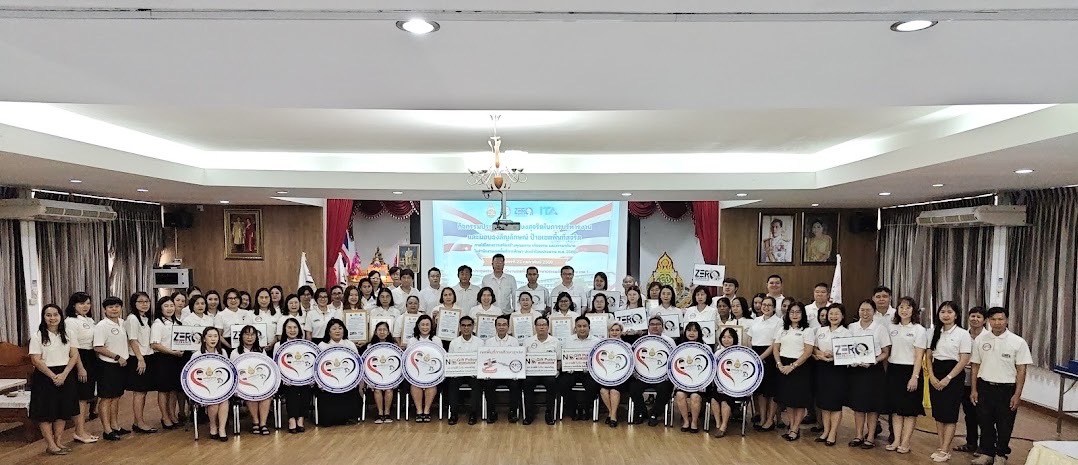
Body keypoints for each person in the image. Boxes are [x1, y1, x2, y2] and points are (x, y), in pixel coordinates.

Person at [970, 306, 1031, 465]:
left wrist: (1017, 394)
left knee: (1005, 424)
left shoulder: (1018, 342)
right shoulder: (981, 340)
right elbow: (975, 366)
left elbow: (1022, 370)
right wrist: (974, 389)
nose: (997, 323)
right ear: (988, 321)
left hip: (1007, 389)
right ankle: (987, 453)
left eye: (1000, 319)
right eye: (993, 319)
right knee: (985, 422)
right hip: (985, 387)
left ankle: (1001, 454)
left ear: (1007, 320)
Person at [925, 301, 972, 462]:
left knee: (950, 414)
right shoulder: (933, 332)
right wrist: (931, 376)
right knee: (938, 414)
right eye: (943, 312)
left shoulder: (962, 334)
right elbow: (928, 356)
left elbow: (964, 359)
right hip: (935, 372)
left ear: (956, 315)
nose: (946, 315)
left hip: (953, 375)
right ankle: (941, 446)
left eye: (949, 312)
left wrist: (948, 378)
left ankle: (946, 449)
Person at [29, 304, 79, 456]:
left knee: (62, 410)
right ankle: (50, 444)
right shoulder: (37, 336)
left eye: (55, 314)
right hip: (45, 376)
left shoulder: (69, 333)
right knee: (45, 411)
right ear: (43, 317)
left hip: (65, 373)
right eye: (48, 315)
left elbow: (74, 355)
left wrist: (64, 374)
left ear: (60, 316)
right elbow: (36, 360)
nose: (52, 318)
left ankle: (58, 441)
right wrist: (53, 376)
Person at [882, 297, 927, 454]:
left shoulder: (919, 330)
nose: (904, 310)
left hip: (911, 371)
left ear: (913, 310)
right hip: (894, 370)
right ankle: (896, 440)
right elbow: (886, 351)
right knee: (895, 409)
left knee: (909, 410)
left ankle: (906, 442)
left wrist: (915, 377)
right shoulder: (891, 327)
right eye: (901, 307)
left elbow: (919, 356)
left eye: (908, 307)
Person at [847, 299, 892, 450]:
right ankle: (859, 435)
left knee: (872, 406)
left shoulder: (880, 328)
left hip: (873, 371)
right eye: (862, 310)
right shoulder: (852, 327)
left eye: (868, 310)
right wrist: (850, 360)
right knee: (858, 406)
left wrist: (873, 361)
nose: (865, 313)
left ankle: (871, 437)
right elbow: (847, 348)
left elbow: (885, 352)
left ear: (874, 312)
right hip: (856, 371)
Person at [773, 301, 815, 441]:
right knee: (788, 400)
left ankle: (796, 428)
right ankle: (791, 425)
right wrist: (779, 364)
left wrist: (793, 366)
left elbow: (808, 352)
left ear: (802, 314)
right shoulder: (782, 330)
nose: (795, 315)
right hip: (783, 366)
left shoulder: (807, 330)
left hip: (800, 367)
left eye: (798, 312)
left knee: (799, 401)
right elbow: (776, 348)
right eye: (792, 312)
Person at [63, 292, 98, 444]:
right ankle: (79, 431)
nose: (85, 306)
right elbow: (73, 347)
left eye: (88, 303)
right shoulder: (70, 321)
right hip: (80, 358)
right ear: (73, 305)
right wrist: (80, 367)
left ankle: (82, 430)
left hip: (91, 357)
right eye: (81, 303)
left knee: (87, 396)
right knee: (81, 398)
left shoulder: (89, 320)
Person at [628, 316, 676, 426]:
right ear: (648, 327)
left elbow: (673, 360)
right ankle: (641, 412)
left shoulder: (669, 341)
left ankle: (654, 414)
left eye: (658, 324)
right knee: (633, 387)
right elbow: (635, 359)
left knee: (665, 388)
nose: (655, 326)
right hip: (643, 376)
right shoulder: (641, 340)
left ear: (662, 327)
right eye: (652, 324)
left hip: (662, 377)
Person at [813, 304, 850, 446]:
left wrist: (833, 355)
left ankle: (833, 433)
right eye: (831, 314)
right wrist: (820, 354)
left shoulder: (846, 333)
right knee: (824, 403)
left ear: (842, 316)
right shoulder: (820, 330)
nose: (833, 316)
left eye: (837, 314)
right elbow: (814, 348)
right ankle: (825, 431)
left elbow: (849, 352)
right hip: (822, 368)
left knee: (835, 403)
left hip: (838, 370)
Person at [316, 319, 360, 426]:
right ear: (328, 331)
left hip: (347, 378)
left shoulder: (349, 344)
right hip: (328, 379)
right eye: (334, 329)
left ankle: (346, 417)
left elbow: (357, 363)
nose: (337, 331)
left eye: (340, 328)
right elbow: (317, 366)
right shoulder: (322, 345)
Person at [747, 296, 782, 431]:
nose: (766, 307)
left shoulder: (778, 322)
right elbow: (749, 338)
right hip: (755, 354)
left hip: (770, 356)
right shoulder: (756, 320)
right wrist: (753, 354)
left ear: (774, 308)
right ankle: (762, 418)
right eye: (764, 305)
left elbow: (775, 343)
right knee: (760, 391)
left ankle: (770, 420)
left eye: (769, 305)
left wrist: (761, 357)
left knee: (771, 391)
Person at [956, 306, 987, 455]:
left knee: (983, 415)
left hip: (981, 381)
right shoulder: (962, 335)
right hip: (963, 379)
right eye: (972, 316)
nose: (975, 319)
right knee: (969, 414)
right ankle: (971, 443)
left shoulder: (988, 337)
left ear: (984, 320)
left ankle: (985, 446)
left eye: (979, 317)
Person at [232, 325, 274, 433]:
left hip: (259, 382)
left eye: (252, 334)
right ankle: (255, 421)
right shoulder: (235, 352)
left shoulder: (261, 351)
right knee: (250, 393)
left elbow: (265, 369)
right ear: (241, 336)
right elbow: (233, 372)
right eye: (246, 334)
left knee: (266, 394)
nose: (249, 337)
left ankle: (263, 423)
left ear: (256, 337)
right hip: (243, 384)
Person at [125, 291, 157, 434]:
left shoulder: (146, 318)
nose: (144, 304)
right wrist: (140, 359)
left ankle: (138, 421)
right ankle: (139, 422)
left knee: (143, 392)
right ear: (134, 304)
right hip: (138, 358)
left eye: (147, 301)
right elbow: (132, 340)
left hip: (147, 357)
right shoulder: (132, 318)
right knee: (139, 392)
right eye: (141, 302)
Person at [557, 316, 600, 421]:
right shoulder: (568, 340)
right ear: (575, 328)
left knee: (593, 385)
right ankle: (573, 408)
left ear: (589, 327)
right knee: (562, 383)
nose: (582, 328)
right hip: (571, 371)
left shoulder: (596, 341)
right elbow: (563, 357)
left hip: (589, 372)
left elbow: (598, 360)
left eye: (584, 326)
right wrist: (567, 366)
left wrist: (589, 368)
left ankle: (585, 408)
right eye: (579, 326)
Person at [149, 296, 183, 430]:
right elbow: (155, 345)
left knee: (173, 389)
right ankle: (164, 417)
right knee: (163, 390)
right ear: (160, 308)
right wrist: (172, 352)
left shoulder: (178, 322)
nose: (169, 308)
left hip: (176, 359)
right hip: (162, 359)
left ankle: (172, 414)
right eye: (166, 306)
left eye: (171, 306)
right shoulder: (158, 324)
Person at [482, 315, 522, 423]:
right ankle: (492, 412)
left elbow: (517, 359)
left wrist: (516, 374)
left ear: (508, 327)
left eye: (504, 325)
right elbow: (486, 359)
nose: (501, 327)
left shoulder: (514, 341)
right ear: (495, 327)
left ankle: (513, 412)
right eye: (499, 325)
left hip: (510, 374)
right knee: (488, 384)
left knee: (515, 385)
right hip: (494, 374)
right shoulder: (489, 342)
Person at [274, 317, 310, 433]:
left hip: (302, 376)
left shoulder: (305, 344)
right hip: (285, 379)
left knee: (305, 387)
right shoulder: (278, 345)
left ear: (299, 329)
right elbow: (276, 365)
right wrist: (286, 378)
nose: (292, 330)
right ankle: (291, 419)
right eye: (289, 327)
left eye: (295, 327)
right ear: (284, 329)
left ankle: (301, 418)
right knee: (292, 389)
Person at [522, 316, 560, 425]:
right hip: (532, 373)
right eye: (539, 325)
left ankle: (549, 413)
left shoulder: (555, 341)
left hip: (548, 373)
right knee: (527, 383)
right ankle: (529, 414)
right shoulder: (528, 341)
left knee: (552, 383)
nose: (541, 327)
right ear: (535, 327)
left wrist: (557, 370)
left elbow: (559, 360)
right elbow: (523, 359)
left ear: (548, 327)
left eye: (544, 325)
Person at [194, 327, 230, 441]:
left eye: (215, 336)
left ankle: (222, 429)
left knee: (224, 400)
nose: (213, 339)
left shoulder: (222, 352)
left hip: (219, 386)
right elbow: (193, 374)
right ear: (204, 339)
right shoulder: (197, 354)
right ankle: (213, 426)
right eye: (210, 336)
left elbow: (227, 371)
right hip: (203, 388)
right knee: (214, 403)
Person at [445, 316, 483, 425]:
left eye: (469, 325)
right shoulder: (454, 342)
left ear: (473, 327)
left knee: (477, 384)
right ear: (460, 327)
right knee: (452, 384)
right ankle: (453, 414)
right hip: (458, 374)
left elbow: (482, 361)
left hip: (473, 374)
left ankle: (473, 414)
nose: (466, 328)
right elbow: (451, 361)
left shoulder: (480, 342)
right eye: (463, 325)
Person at [709, 327, 745, 438]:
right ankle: (718, 424)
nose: (726, 340)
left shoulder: (741, 353)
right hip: (720, 385)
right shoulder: (717, 353)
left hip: (736, 386)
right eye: (724, 337)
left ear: (735, 339)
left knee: (725, 401)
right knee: (714, 399)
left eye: (729, 337)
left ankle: (723, 426)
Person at [406, 314, 442, 422]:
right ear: (418, 326)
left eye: (427, 325)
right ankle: (419, 411)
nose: (425, 327)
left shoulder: (436, 340)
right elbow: (408, 359)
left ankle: (427, 411)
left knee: (431, 385)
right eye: (422, 325)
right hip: (415, 372)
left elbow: (440, 358)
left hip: (432, 372)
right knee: (415, 385)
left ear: (431, 326)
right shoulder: (412, 340)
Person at [674, 322, 708, 433]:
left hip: (700, 383)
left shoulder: (706, 348)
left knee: (695, 397)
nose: (691, 333)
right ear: (685, 332)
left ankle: (694, 422)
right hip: (683, 381)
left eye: (694, 330)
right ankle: (685, 421)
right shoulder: (679, 348)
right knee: (680, 395)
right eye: (689, 330)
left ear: (699, 333)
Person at [364, 322, 398, 424]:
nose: (382, 332)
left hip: (391, 374)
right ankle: (380, 413)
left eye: (384, 330)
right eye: (379, 330)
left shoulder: (394, 346)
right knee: (377, 389)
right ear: (375, 332)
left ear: (388, 332)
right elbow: (367, 362)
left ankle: (387, 413)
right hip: (374, 374)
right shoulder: (370, 346)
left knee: (389, 389)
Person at [599, 322, 629, 427]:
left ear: (621, 332)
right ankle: (612, 413)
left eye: (617, 330)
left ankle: (612, 417)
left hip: (622, 377)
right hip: (606, 375)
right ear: (608, 332)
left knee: (614, 391)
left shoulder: (627, 346)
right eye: (612, 330)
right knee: (603, 391)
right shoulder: (602, 345)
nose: (614, 332)